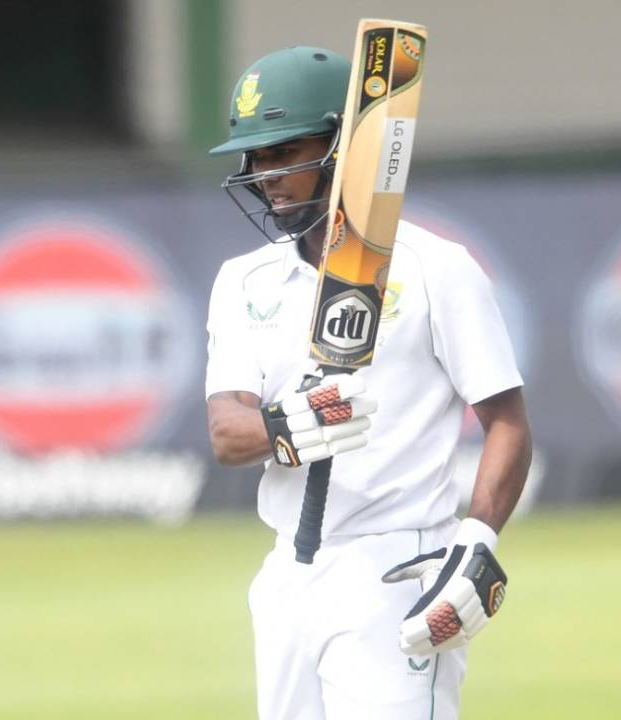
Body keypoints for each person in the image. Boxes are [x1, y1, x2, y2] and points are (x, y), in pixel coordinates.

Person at [204, 47, 531, 719]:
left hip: (397, 567)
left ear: (345, 146)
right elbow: (228, 435)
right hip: (287, 579)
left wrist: (479, 538)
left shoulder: (438, 268)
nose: (270, 176)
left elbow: (507, 420)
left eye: (286, 152)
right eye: (259, 159)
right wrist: (290, 424)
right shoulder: (243, 281)